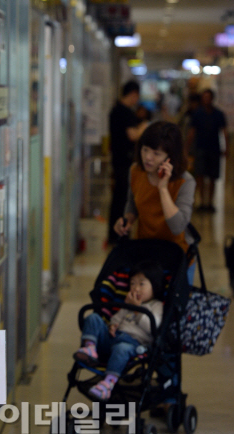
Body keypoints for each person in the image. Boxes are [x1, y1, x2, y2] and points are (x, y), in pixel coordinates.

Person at [113, 121, 196, 284]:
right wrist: (126, 221)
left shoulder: (185, 182)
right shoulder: (136, 171)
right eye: (145, 150)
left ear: (170, 157)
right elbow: (132, 203)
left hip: (177, 255)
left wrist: (163, 188)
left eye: (156, 153)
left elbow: (177, 226)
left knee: (172, 308)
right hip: (146, 252)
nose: (148, 158)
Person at [73, 260, 164, 401]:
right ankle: (89, 348)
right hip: (112, 340)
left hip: (133, 344)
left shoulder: (156, 306)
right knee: (94, 318)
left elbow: (154, 327)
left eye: (141, 284)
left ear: (155, 286)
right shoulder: (128, 303)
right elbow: (117, 317)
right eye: (132, 283)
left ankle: (108, 383)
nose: (136, 288)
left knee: (121, 348)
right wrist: (113, 325)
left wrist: (137, 311)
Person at [108, 80, 148, 244]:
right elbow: (133, 135)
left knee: (120, 198)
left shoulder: (116, 110)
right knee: (123, 200)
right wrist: (144, 128)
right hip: (124, 162)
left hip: (119, 160)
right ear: (133, 94)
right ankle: (120, 234)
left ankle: (117, 234)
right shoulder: (124, 112)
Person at [185, 88, 229, 213]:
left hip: (214, 149)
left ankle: (209, 202)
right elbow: (191, 133)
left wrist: (226, 148)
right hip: (200, 149)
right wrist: (187, 149)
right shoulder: (197, 114)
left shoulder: (219, 114)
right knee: (200, 176)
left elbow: (224, 132)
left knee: (213, 178)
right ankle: (202, 201)